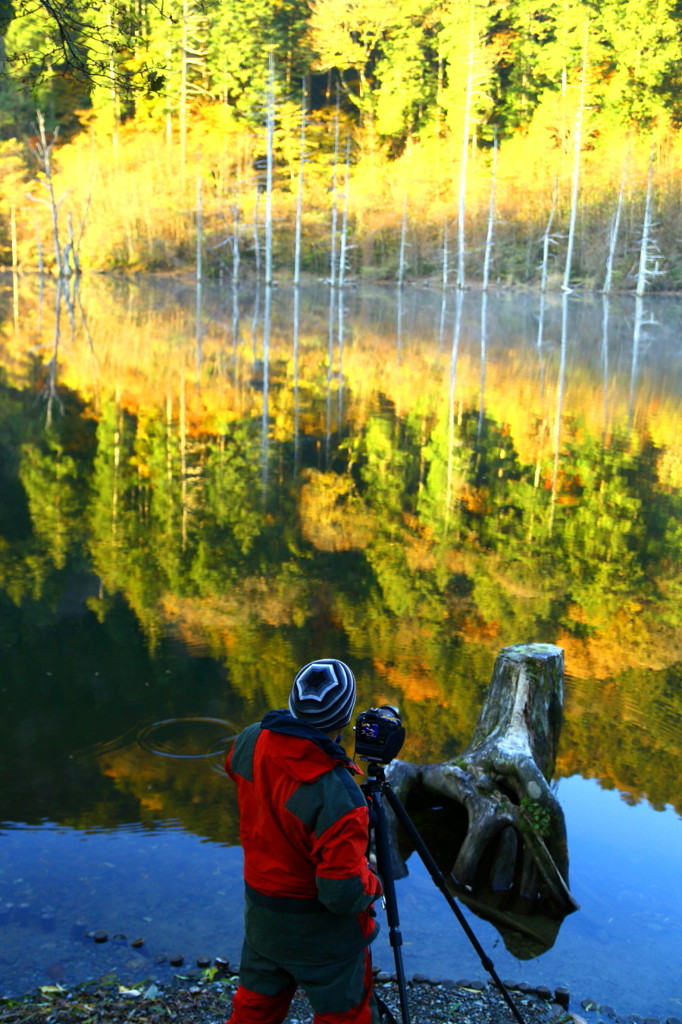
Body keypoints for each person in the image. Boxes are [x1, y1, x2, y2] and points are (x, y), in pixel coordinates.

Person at [225, 658, 384, 1024]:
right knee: (346, 1016)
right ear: (344, 720)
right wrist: (373, 882)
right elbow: (342, 893)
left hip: (263, 919)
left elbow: (234, 768)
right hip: (322, 938)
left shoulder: (251, 739)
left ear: (293, 702)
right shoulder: (339, 796)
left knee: (253, 1008)